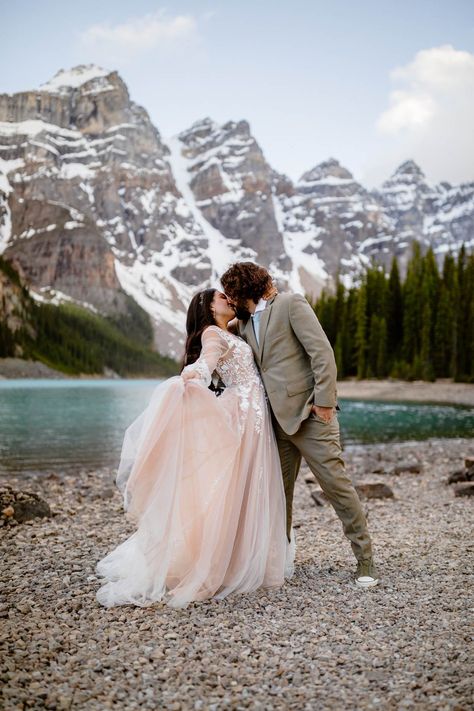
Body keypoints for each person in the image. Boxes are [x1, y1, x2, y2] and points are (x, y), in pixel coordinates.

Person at [95, 288, 295, 609]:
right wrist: (190, 376)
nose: (228, 299)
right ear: (208, 306)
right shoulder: (213, 334)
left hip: (253, 414)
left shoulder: (230, 330)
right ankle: (213, 566)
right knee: (232, 489)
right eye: (221, 297)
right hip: (243, 415)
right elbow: (206, 364)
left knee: (246, 487)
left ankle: (239, 559)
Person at [220, 262, 379, 588]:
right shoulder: (246, 322)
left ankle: (365, 560)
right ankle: (281, 560)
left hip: (311, 417)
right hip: (276, 425)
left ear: (247, 289)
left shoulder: (291, 305)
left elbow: (322, 353)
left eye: (233, 293)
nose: (231, 299)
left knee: (337, 488)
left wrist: (324, 402)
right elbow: (222, 331)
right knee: (279, 496)